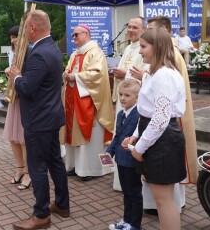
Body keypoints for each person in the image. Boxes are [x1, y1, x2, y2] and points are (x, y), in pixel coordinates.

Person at [8, 10, 69, 230]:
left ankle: (41, 214)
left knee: (37, 167)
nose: (24, 33)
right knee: (55, 162)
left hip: (39, 120)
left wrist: (15, 76)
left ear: (32, 28)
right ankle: (62, 204)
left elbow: (26, 89)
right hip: (51, 117)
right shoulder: (51, 48)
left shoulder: (39, 54)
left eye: (25, 28)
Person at [124, 28, 187, 230]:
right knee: (161, 198)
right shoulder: (154, 73)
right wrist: (136, 136)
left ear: (157, 47)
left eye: (143, 46)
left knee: (164, 199)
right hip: (157, 136)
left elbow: (160, 118)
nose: (140, 51)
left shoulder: (164, 75)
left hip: (163, 140)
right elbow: (147, 112)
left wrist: (140, 148)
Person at [143, 15, 198, 216]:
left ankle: (173, 204)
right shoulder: (164, 55)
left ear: (164, 31)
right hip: (159, 120)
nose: (146, 33)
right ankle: (161, 205)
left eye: (151, 29)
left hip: (166, 124)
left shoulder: (170, 57)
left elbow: (164, 108)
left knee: (166, 172)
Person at [63, 23, 115, 182]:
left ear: (86, 34)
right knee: (72, 135)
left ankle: (92, 169)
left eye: (76, 35)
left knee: (91, 139)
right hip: (73, 101)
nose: (73, 38)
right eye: (72, 35)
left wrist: (76, 77)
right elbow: (69, 69)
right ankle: (75, 167)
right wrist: (66, 73)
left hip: (90, 102)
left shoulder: (95, 53)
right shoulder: (75, 54)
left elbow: (97, 74)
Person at [111, 16, 148, 191]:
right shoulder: (128, 48)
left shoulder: (144, 50)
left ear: (143, 30)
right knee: (120, 133)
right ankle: (121, 180)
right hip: (124, 99)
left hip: (135, 101)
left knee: (129, 134)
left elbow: (142, 75)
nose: (130, 30)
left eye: (135, 27)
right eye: (129, 27)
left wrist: (123, 74)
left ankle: (130, 177)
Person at [106, 80, 142, 230]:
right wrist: (109, 153)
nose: (122, 98)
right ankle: (126, 220)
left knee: (134, 193)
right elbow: (117, 136)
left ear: (137, 97)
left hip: (132, 160)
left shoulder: (140, 114)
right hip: (121, 160)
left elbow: (141, 137)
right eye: (120, 94)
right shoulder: (121, 113)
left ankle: (135, 224)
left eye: (127, 95)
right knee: (126, 192)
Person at [2, 25, 32, 191]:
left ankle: (28, 172)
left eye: (16, 36)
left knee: (23, 138)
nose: (13, 39)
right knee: (13, 137)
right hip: (14, 96)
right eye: (11, 37)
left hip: (24, 97)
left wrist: (16, 74)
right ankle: (19, 168)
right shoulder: (12, 53)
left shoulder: (30, 52)